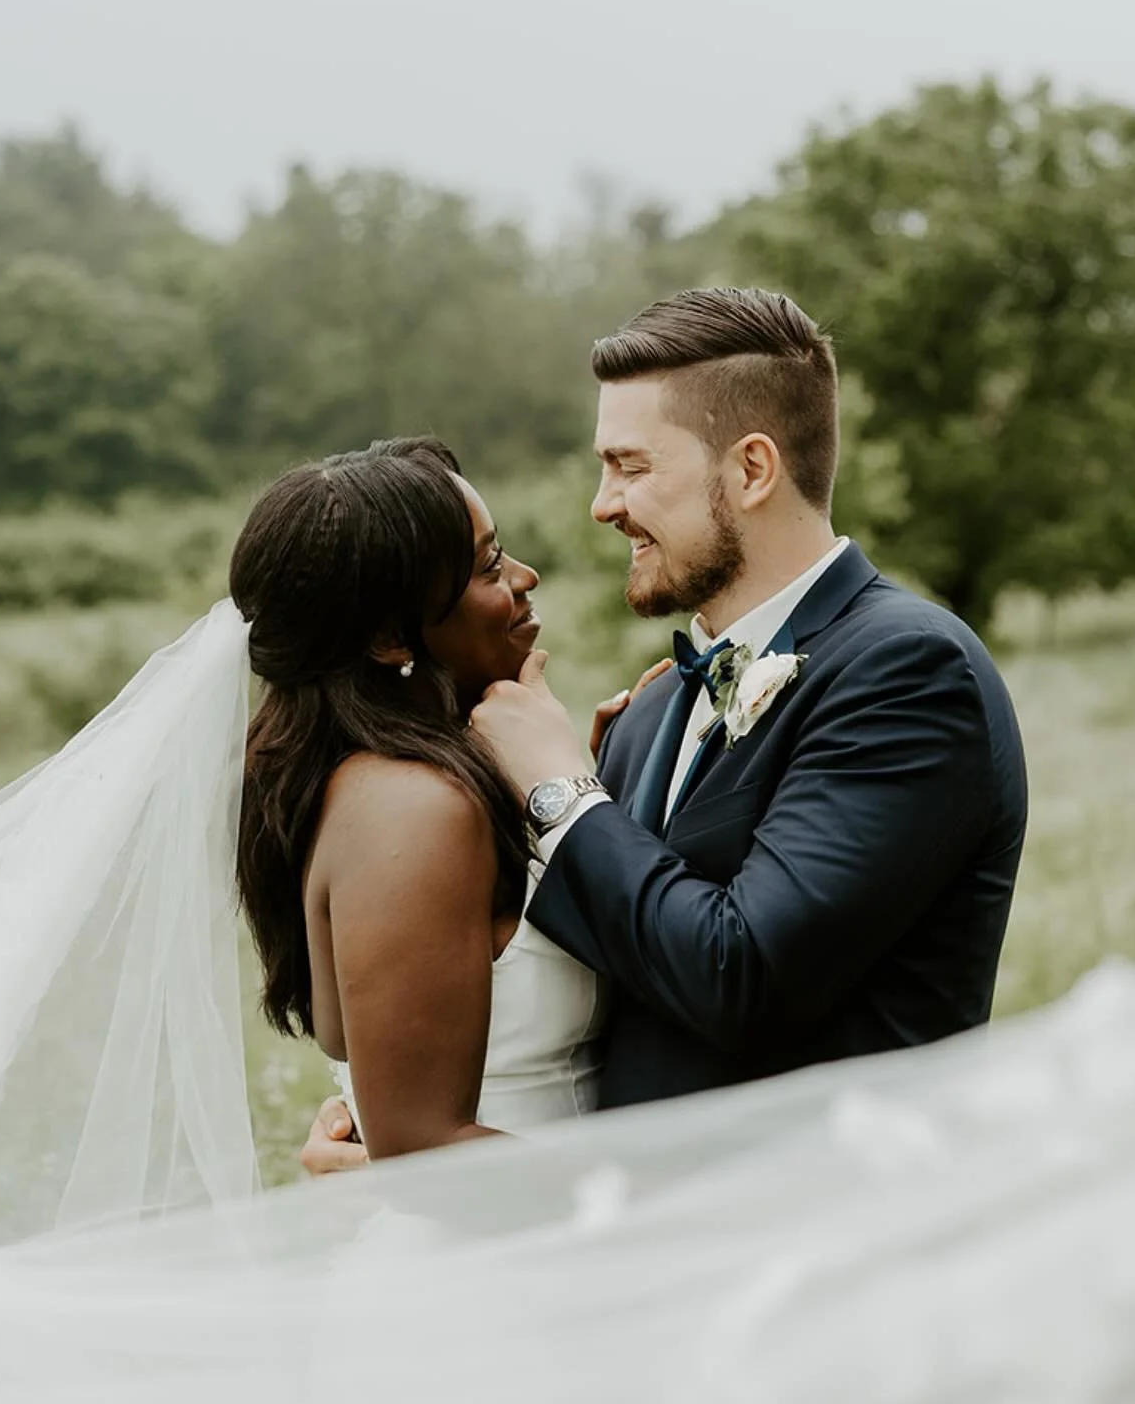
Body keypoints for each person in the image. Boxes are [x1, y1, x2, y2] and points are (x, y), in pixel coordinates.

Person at [304, 287, 1028, 1169]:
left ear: (752, 470)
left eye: (631, 466)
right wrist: (405, 1142)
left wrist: (559, 792)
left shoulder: (908, 671)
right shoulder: (648, 714)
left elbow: (741, 974)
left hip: (823, 1246)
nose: (602, 505)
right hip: (636, 1257)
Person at [233, 436, 611, 1160]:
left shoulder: (435, 780)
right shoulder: (412, 807)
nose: (525, 578)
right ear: (385, 637)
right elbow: (423, 1149)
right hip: (497, 1258)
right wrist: (672, 1206)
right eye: (491, 566)